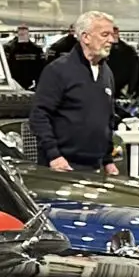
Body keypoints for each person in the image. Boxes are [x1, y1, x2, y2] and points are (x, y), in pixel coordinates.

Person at [29, 12, 121, 174]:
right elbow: (39, 116)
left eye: (112, 35)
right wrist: (54, 156)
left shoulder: (107, 73)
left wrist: (107, 160)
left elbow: (107, 119)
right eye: (105, 35)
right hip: (62, 168)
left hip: (95, 168)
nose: (111, 40)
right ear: (85, 37)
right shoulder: (58, 70)